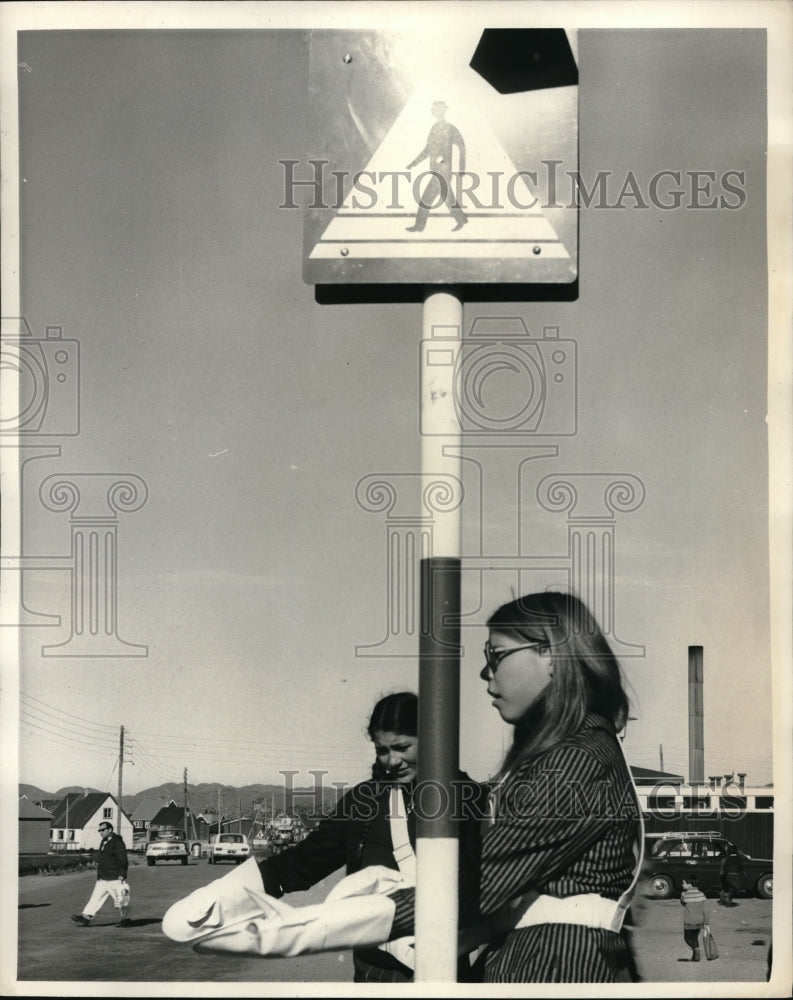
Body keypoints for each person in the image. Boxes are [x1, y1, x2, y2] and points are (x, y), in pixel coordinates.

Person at [386, 590, 643, 982]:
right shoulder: (571, 751)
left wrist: (312, 926)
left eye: (496, 655)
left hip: (555, 966)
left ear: (552, 655)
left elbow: (475, 886)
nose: (485, 672)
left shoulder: (575, 760)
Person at [165, 692, 485, 983]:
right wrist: (224, 897)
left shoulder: (470, 798)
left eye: (402, 747)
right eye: (382, 750)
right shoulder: (366, 801)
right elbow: (306, 861)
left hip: (447, 973)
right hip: (373, 973)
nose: (392, 760)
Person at [405, 101, 468, 232]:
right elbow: (428, 149)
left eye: (434, 109)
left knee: (426, 199)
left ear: (441, 111)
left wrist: (462, 168)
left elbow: (461, 146)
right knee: (447, 197)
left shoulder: (450, 128)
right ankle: (461, 220)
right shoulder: (434, 128)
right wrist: (414, 163)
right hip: (437, 170)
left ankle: (419, 226)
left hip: (443, 171)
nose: (432, 111)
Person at [71, 820, 130, 927]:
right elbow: (104, 857)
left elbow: (123, 859)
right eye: (99, 830)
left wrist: (122, 873)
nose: (100, 832)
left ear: (110, 830)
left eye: (103, 830)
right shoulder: (104, 841)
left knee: (122, 899)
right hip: (103, 878)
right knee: (95, 898)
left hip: (115, 877)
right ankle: (86, 917)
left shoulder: (117, 842)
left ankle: (125, 919)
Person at [680, 876, 708, 961]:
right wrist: (707, 922)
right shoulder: (701, 894)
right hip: (699, 921)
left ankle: (696, 950)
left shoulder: (684, 894)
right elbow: (706, 908)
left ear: (689, 885)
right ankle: (695, 957)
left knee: (687, 938)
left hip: (689, 921)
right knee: (695, 937)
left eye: (683, 883)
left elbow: (683, 903)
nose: (682, 885)